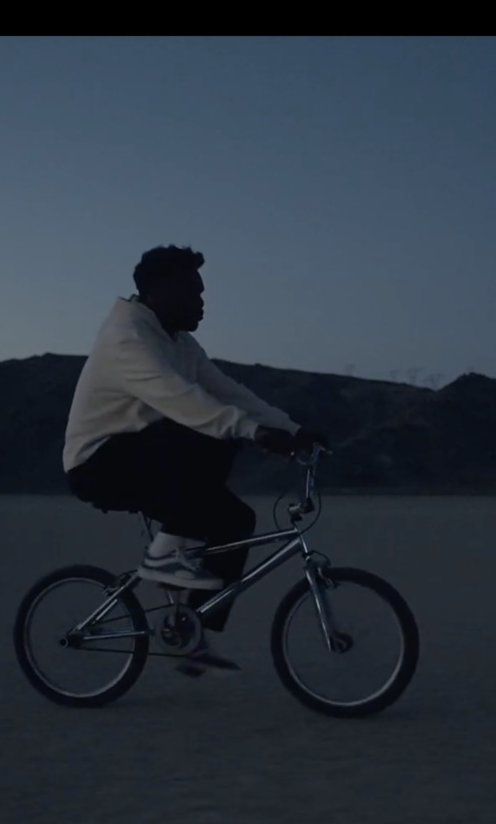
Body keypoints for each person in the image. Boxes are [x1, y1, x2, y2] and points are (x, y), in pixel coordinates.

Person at [62, 245, 327, 676]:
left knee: (235, 523)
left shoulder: (181, 343)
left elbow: (228, 392)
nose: (202, 302)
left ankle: (188, 630)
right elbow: (183, 400)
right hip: (101, 464)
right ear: (158, 291)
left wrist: (293, 430)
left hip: (152, 458)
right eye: (192, 292)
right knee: (211, 433)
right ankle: (165, 555)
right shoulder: (127, 338)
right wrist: (254, 431)